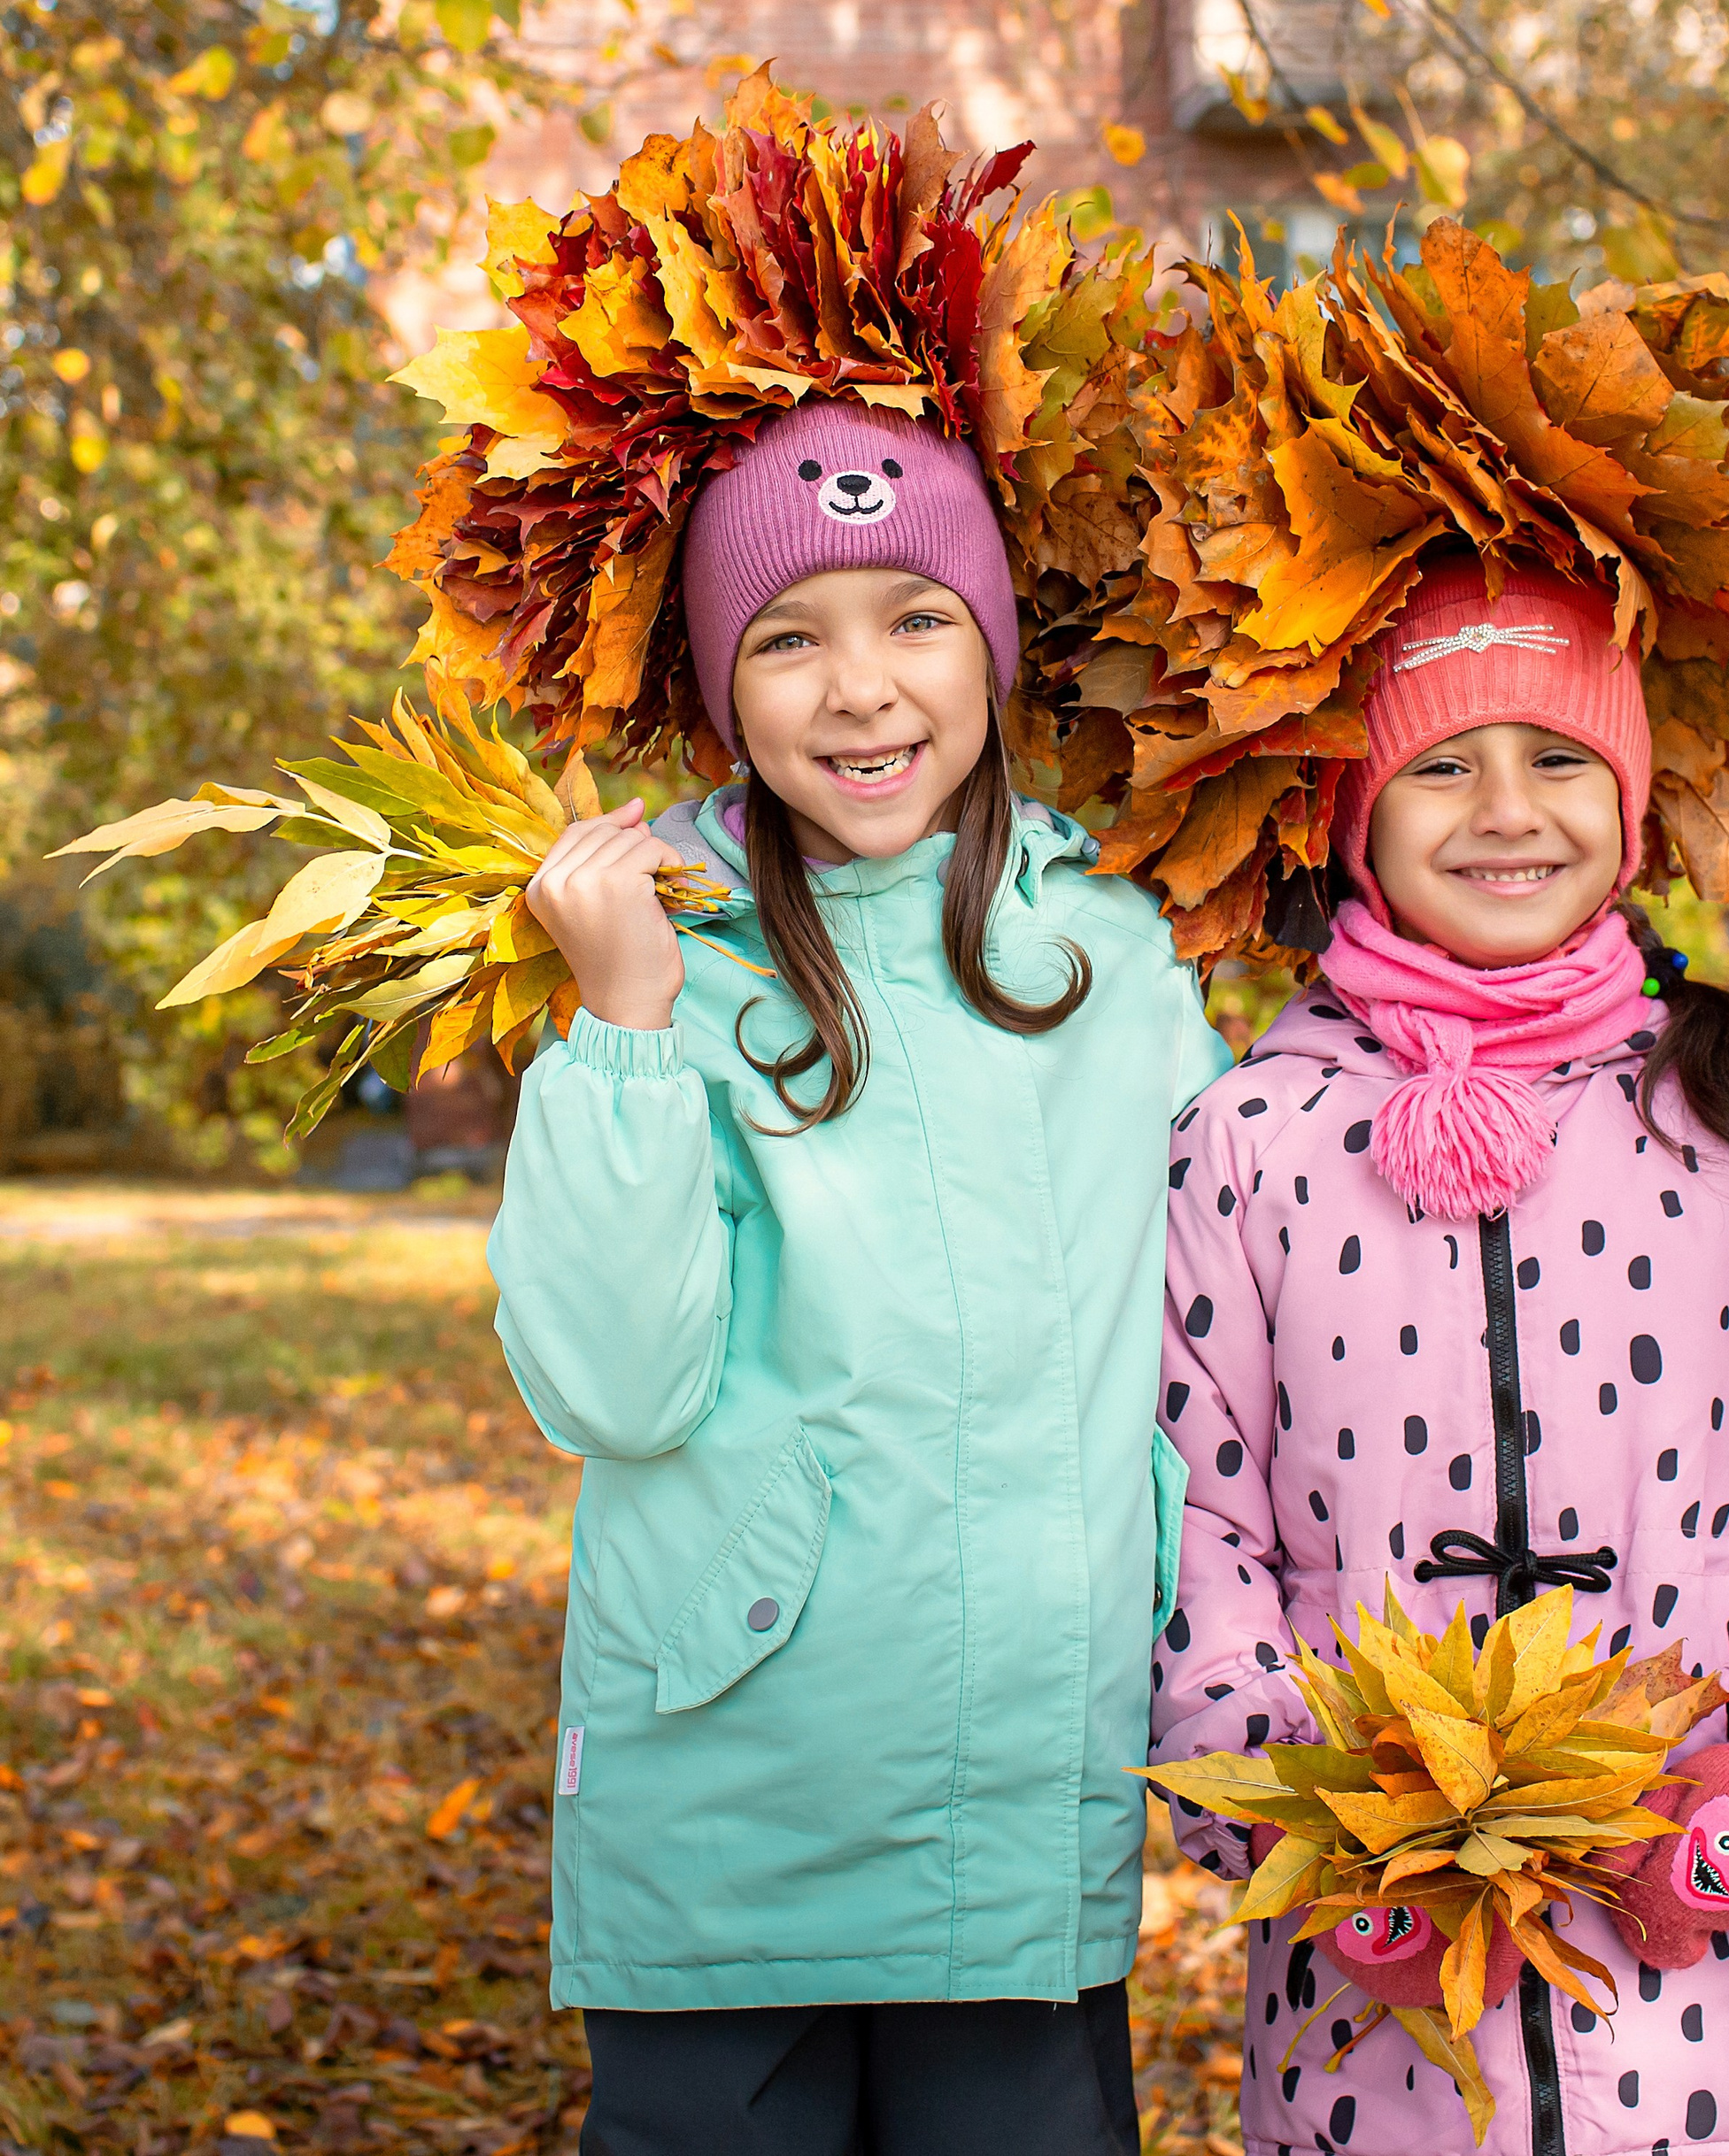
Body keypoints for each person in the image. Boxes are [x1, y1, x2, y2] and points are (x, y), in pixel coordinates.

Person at [1150, 553, 1729, 2156]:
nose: (1506, 809)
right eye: (1440, 765)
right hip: (1386, 2009)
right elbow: (1186, 1530)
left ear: (1625, 808)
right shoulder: (1247, 1143)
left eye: (1557, 758)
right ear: (1354, 812)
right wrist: (1315, 1826)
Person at [489, 401, 1228, 2156]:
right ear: (718, 685)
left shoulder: (1116, 953)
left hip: (1017, 1801)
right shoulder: (659, 957)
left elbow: (1223, 1319)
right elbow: (608, 1385)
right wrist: (623, 1031)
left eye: (914, 620)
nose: (861, 690)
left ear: (990, 646)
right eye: (789, 640)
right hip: (735, 1792)